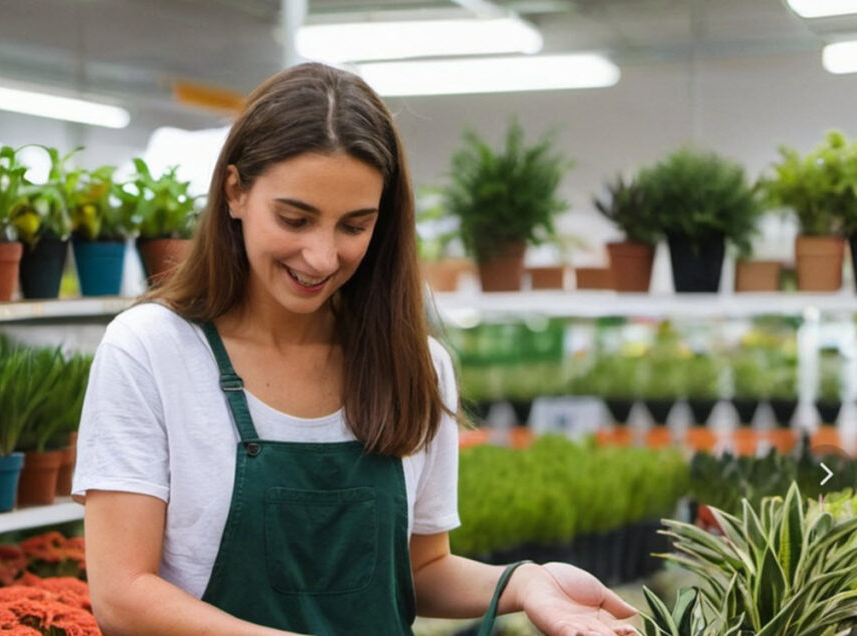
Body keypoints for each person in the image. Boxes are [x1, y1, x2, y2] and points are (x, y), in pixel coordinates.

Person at [71, 62, 638, 636]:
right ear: (236, 192)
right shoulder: (151, 352)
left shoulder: (413, 366)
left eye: (354, 226)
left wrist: (523, 583)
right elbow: (124, 596)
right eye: (295, 218)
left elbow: (421, 567)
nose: (320, 257)